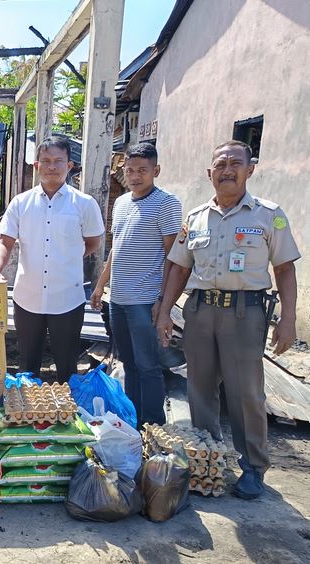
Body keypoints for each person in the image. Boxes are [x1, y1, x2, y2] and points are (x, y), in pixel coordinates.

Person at [157, 140, 300, 500]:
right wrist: (164, 312)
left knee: (245, 394)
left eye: (235, 163)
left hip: (245, 313)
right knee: (200, 390)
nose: (227, 170)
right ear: (210, 173)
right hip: (201, 310)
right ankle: (211, 459)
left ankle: (253, 468)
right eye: (220, 164)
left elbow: (284, 269)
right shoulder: (194, 218)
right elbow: (178, 268)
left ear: (250, 169)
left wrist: (288, 320)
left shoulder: (269, 215)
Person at [0, 135, 104, 382]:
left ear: (69, 165)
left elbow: (93, 243)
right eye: (45, 161)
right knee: (27, 365)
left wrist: (68, 257)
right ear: (36, 165)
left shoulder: (84, 204)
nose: (51, 167)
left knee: (67, 366)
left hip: (67, 298)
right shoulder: (21, 203)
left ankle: (67, 416)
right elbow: (5, 241)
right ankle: (27, 415)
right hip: (28, 298)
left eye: (58, 161)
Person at [91, 143, 183, 426]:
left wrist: (163, 303)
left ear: (156, 170)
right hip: (117, 300)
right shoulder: (120, 203)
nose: (135, 176)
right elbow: (116, 249)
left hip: (145, 301)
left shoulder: (167, 204)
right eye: (130, 170)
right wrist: (100, 286)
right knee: (129, 364)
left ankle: (153, 424)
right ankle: (133, 422)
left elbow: (173, 258)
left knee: (148, 366)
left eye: (142, 170)